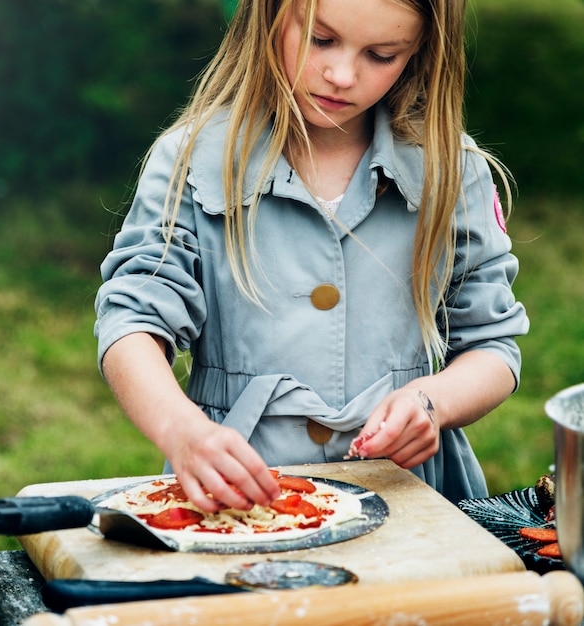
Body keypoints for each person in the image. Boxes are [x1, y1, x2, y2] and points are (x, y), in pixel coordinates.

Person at [94, 0, 529, 513]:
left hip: (413, 498)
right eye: (320, 40)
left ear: (419, 52)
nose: (342, 75)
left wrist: (431, 404)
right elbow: (132, 323)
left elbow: (493, 348)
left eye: (382, 54)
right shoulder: (190, 159)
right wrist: (181, 430)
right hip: (239, 499)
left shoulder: (453, 170)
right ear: (272, 14)